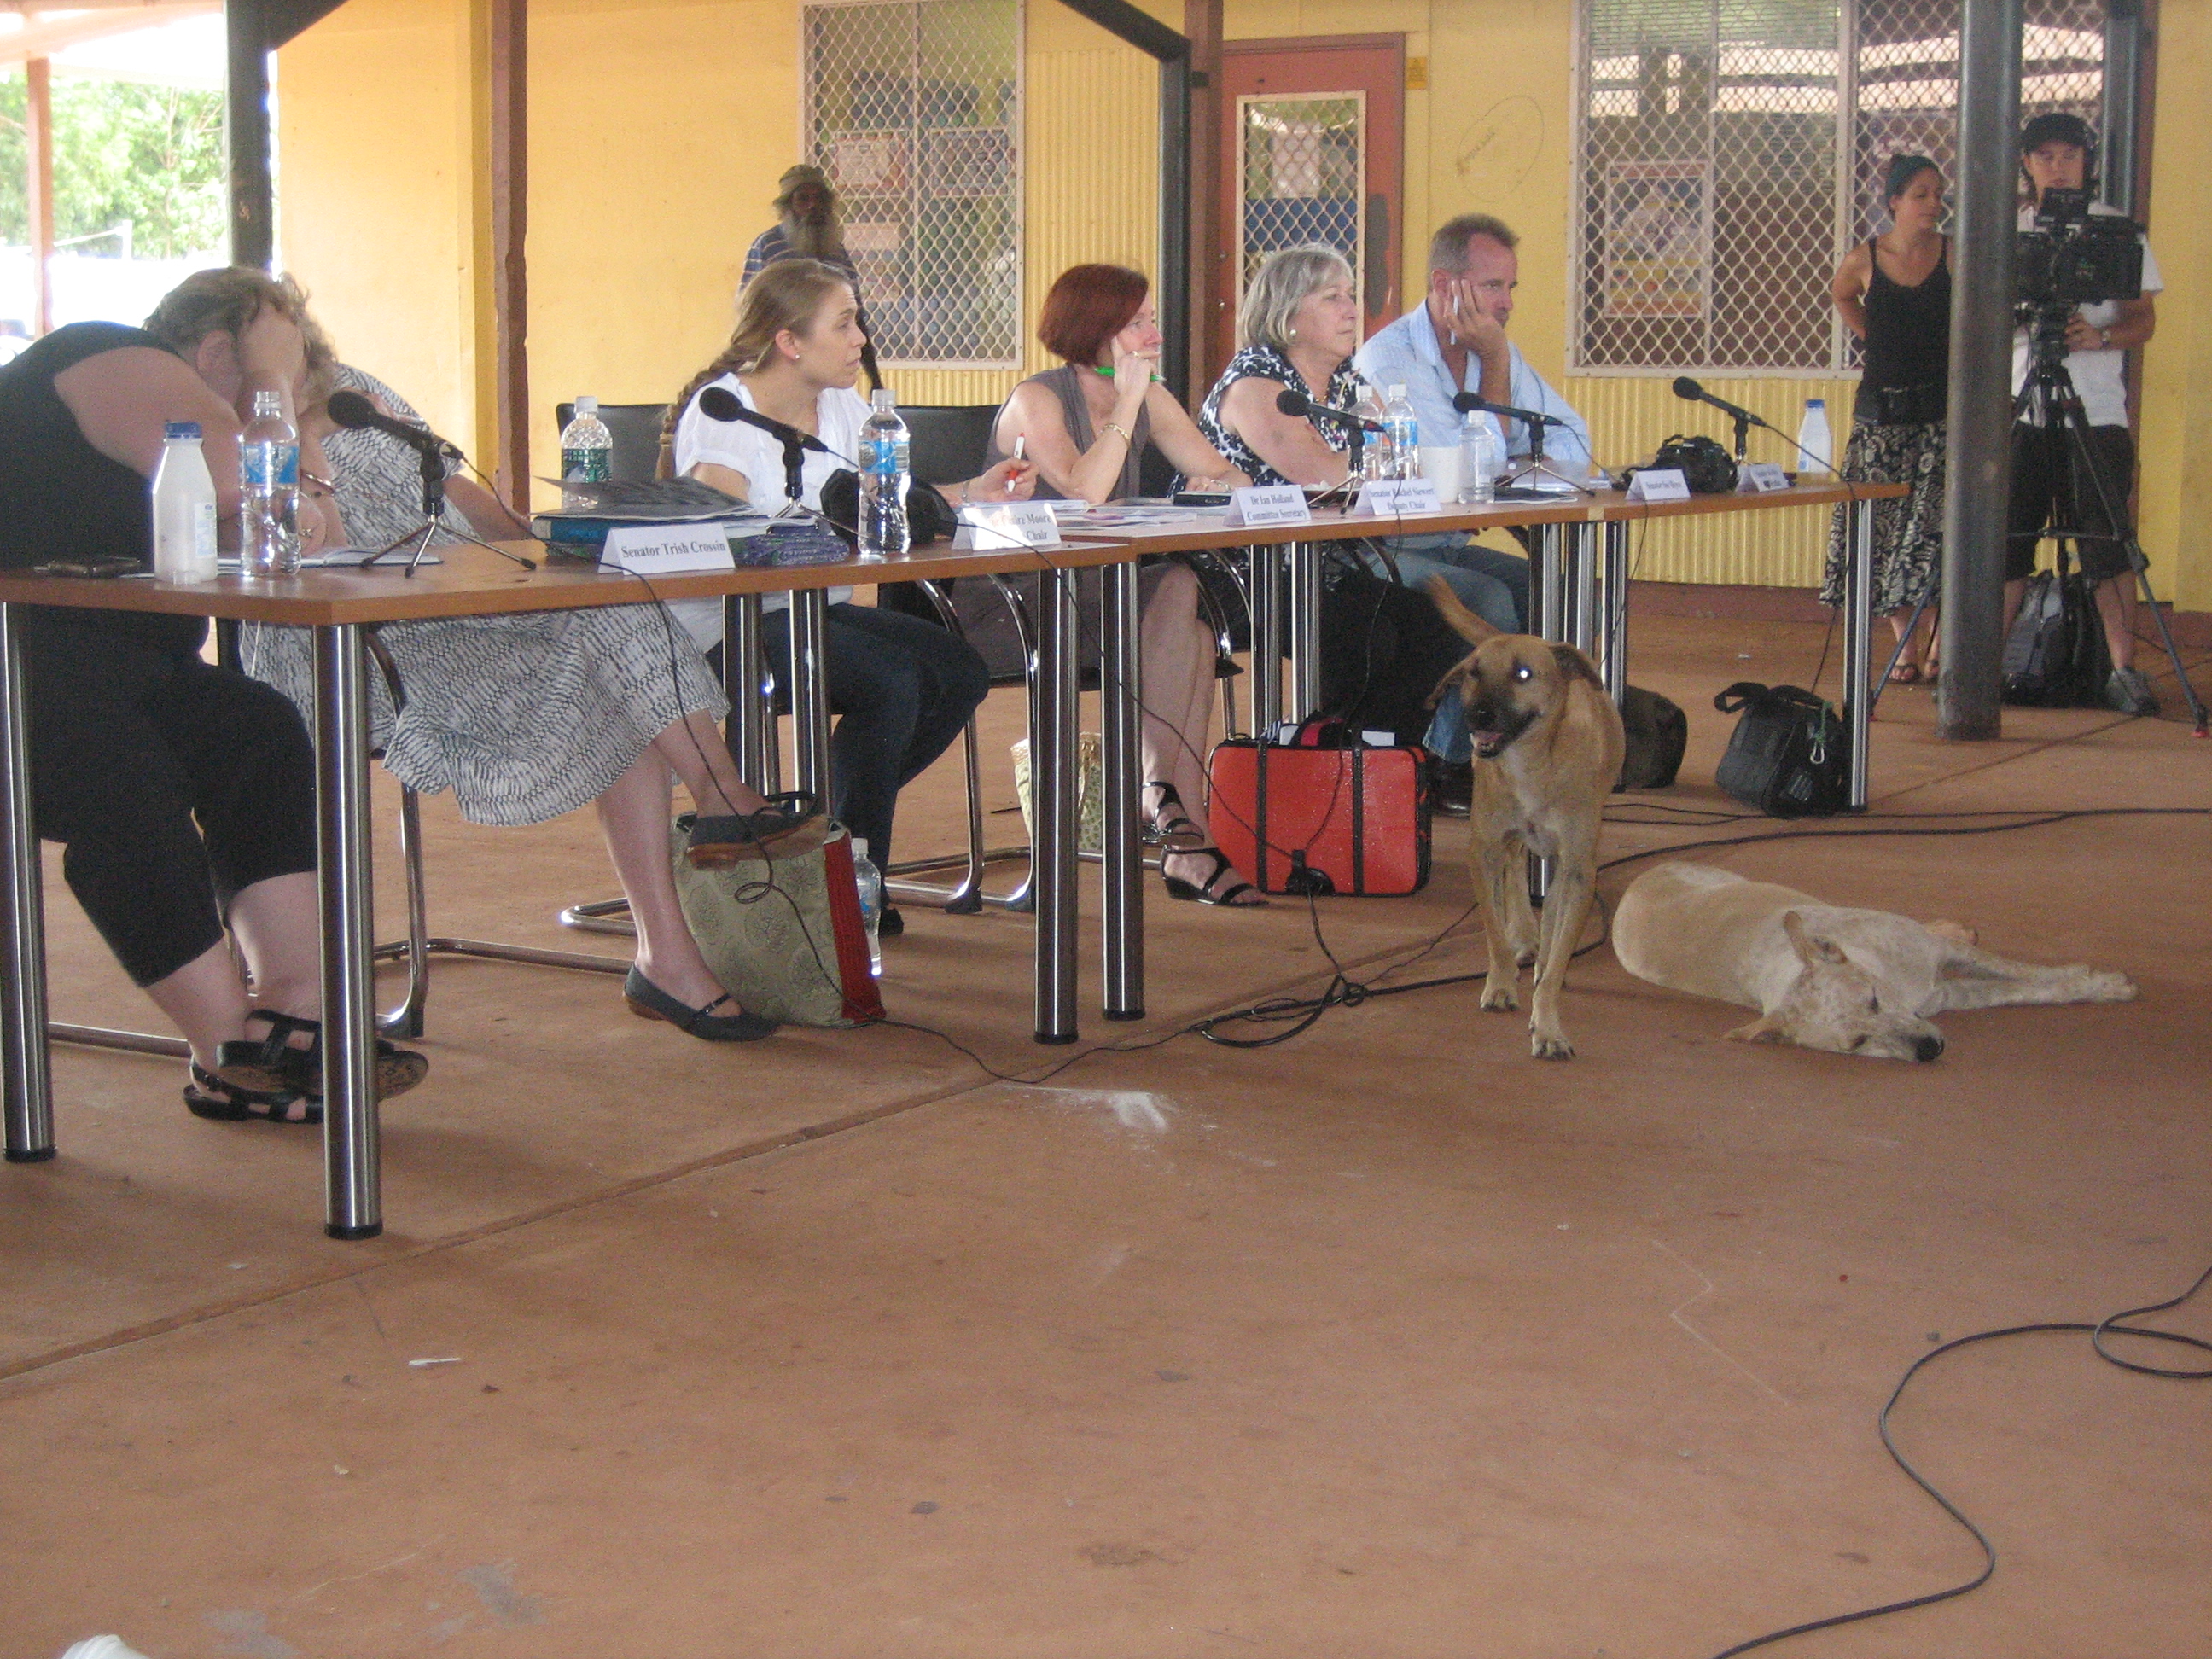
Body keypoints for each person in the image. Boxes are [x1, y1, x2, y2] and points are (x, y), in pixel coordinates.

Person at [236, 361, 806, 1045]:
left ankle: (674, 937)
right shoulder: (238, 420)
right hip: (370, 637)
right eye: (270, 331)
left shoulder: (351, 383)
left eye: (293, 329)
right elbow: (304, 544)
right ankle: (721, 814)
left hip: (466, 599)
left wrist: (541, 546)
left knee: (612, 605)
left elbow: (451, 483)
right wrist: (306, 435)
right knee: (612, 651)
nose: (290, 347)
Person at [0, 266, 425, 1121]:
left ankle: (299, 1014)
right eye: (268, 375)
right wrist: (270, 378)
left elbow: (307, 527)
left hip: (121, 663)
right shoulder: (105, 350)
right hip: (23, 663)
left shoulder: (212, 406)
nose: (279, 406)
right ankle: (230, 1047)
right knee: (124, 783)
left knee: (257, 728)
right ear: (213, 348)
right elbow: (240, 479)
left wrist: (278, 403)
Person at [667, 259, 1033, 923]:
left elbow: (883, 502)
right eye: (845, 324)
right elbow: (717, 544)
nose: (861, 337)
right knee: (891, 679)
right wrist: (811, 537)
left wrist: (973, 493)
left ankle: (832, 844)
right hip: (730, 624)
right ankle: (856, 877)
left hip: (815, 610)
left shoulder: (843, 404)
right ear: (789, 342)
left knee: (957, 670)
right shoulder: (725, 411)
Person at [987, 262, 1263, 907]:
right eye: (1136, 322)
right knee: (1186, 624)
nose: (1153, 332)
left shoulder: (1148, 393)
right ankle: (1177, 825)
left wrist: (1212, 483)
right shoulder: (1040, 397)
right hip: (1026, 595)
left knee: (1185, 602)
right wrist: (1131, 403)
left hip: (1111, 591)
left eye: (1149, 318)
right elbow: (1083, 491)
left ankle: (1171, 816)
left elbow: (1232, 476)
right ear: (1096, 330)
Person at [1197, 244, 1473, 754]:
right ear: (1287, 315)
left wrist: (1384, 466)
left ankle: (1383, 763)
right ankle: (1332, 768)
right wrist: (1379, 465)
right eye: (1331, 298)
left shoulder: (1346, 383)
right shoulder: (1258, 382)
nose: (1351, 310)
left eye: (1350, 295)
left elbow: (1385, 465)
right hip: (1243, 573)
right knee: (1368, 639)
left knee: (1432, 630)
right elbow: (1321, 475)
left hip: (1323, 564)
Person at [1353, 212, 1599, 636]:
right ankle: (1474, 705)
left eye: (1509, 287)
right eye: (1492, 287)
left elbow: (1574, 438)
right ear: (1444, 284)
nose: (1507, 303)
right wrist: (1494, 362)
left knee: (1577, 598)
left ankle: (1544, 704)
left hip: (1448, 544)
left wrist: (1507, 466)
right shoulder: (1392, 358)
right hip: (1385, 548)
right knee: (1491, 601)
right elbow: (1465, 472)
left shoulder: (1497, 349)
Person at [2004, 112, 2163, 715]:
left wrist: (2098, 339)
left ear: (2087, 160)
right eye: (2044, 156)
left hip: (2095, 409)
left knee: (2107, 544)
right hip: (2023, 405)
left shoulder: (2118, 231)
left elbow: (2143, 319)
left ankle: (2124, 669)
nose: (2057, 167)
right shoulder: (2006, 229)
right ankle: (1980, 667)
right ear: (2026, 164)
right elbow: (1972, 320)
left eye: (2069, 155)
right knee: (2007, 539)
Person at [1825, 154, 1951, 684]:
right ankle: (1906, 645)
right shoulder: (1865, 257)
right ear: (1895, 202)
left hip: (1940, 413)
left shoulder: (1953, 254)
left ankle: (1945, 644)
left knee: (1934, 528)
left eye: (1937, 195)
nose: (1932, 205)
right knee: (1884, 529)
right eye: (1920, 194)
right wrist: (1872, 335)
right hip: (1882, 416)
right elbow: (1840, 296)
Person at [742, 164, 881, 392]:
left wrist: (875, 380)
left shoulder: (836, 251)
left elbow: (856, 318)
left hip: (830, 374)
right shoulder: (768, 246)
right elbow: (751, 319)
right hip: (782, 373)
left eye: (819, 199)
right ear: (787, 206)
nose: (812, 206)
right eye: (803, 199)